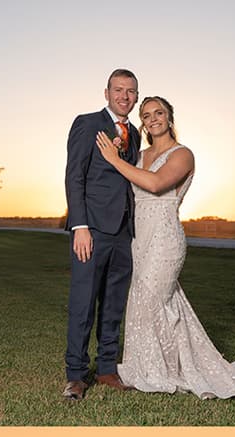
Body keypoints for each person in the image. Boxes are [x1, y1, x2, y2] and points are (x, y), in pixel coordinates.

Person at [95, 97, 235, 401]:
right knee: (155, 305)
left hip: (165, 240)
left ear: (169, 117)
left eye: (159, 113)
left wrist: (114, 160)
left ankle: (159, 372)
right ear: (142, 122)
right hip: (139, 240)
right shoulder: (139, 155)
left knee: (150, 303)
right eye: (146, 115)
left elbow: (156, 184)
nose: (153, 118)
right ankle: (153, 366)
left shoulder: (183, 154)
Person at [63, 70, 141, 401]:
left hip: (124, 231)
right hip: (92, 230)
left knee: (113, 303)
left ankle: (107, 368)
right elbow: (74, 176)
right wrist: (80, 226)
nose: (124, 96)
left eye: (131, 91)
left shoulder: (135, 133)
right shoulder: (87, 123)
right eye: (118, 90)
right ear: (106, 92)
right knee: (83, 303)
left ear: (136, 97)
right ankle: (76, 376)